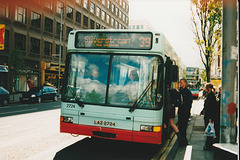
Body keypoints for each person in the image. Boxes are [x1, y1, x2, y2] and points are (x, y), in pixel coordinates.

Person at [200, 83, 218, 150]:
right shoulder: (209, 95)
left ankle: (209, 145)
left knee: (209, 132)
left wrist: (210, 118)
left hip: (209, 116)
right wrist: (202, 111)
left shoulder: (211, 96)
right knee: (208, 131)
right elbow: (206, 106)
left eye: (205, 88)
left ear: (209, 89)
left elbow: (212, 108)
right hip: (207, 116)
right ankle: (208, 145)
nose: (205, 89)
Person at [178, 78, 193, 147]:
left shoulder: (187, 92)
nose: (180, 84)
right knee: (180, 127)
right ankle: (181, 140)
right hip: (180, 112)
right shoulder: (179, 91)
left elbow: (189, 102)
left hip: (185, 112)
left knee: (183, 127)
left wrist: (183, 104)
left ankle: (184, 141)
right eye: (180, 82)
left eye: (181, 82)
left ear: (185, 83)